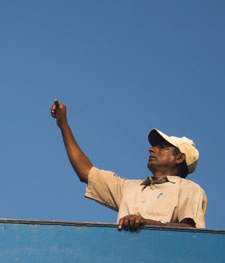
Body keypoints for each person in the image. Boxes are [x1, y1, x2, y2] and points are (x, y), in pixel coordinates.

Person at [50, 99, 207, 231]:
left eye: (162, 147)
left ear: (179, 158)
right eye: (154, 146)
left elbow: (192, 232)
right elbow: (86, 172)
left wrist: (147, 223)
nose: (152, 149)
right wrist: (63, 124)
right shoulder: (130, 188)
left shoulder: (188, 189)